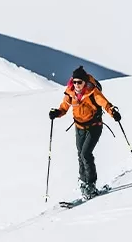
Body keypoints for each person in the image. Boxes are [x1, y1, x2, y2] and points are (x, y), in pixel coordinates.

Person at [49, 66, 121, 199]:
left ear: (85, 82)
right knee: (80, 155)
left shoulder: (93, 92)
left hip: (94, 126)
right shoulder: (70, 92)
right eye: (75, 82)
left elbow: (105, 103)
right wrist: (57, 113)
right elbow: (64, 107)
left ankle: (91, 185)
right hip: (79, 127)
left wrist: (113, 112)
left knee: (86, 154)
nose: (77, 85)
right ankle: (83, 182)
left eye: (79, 82)